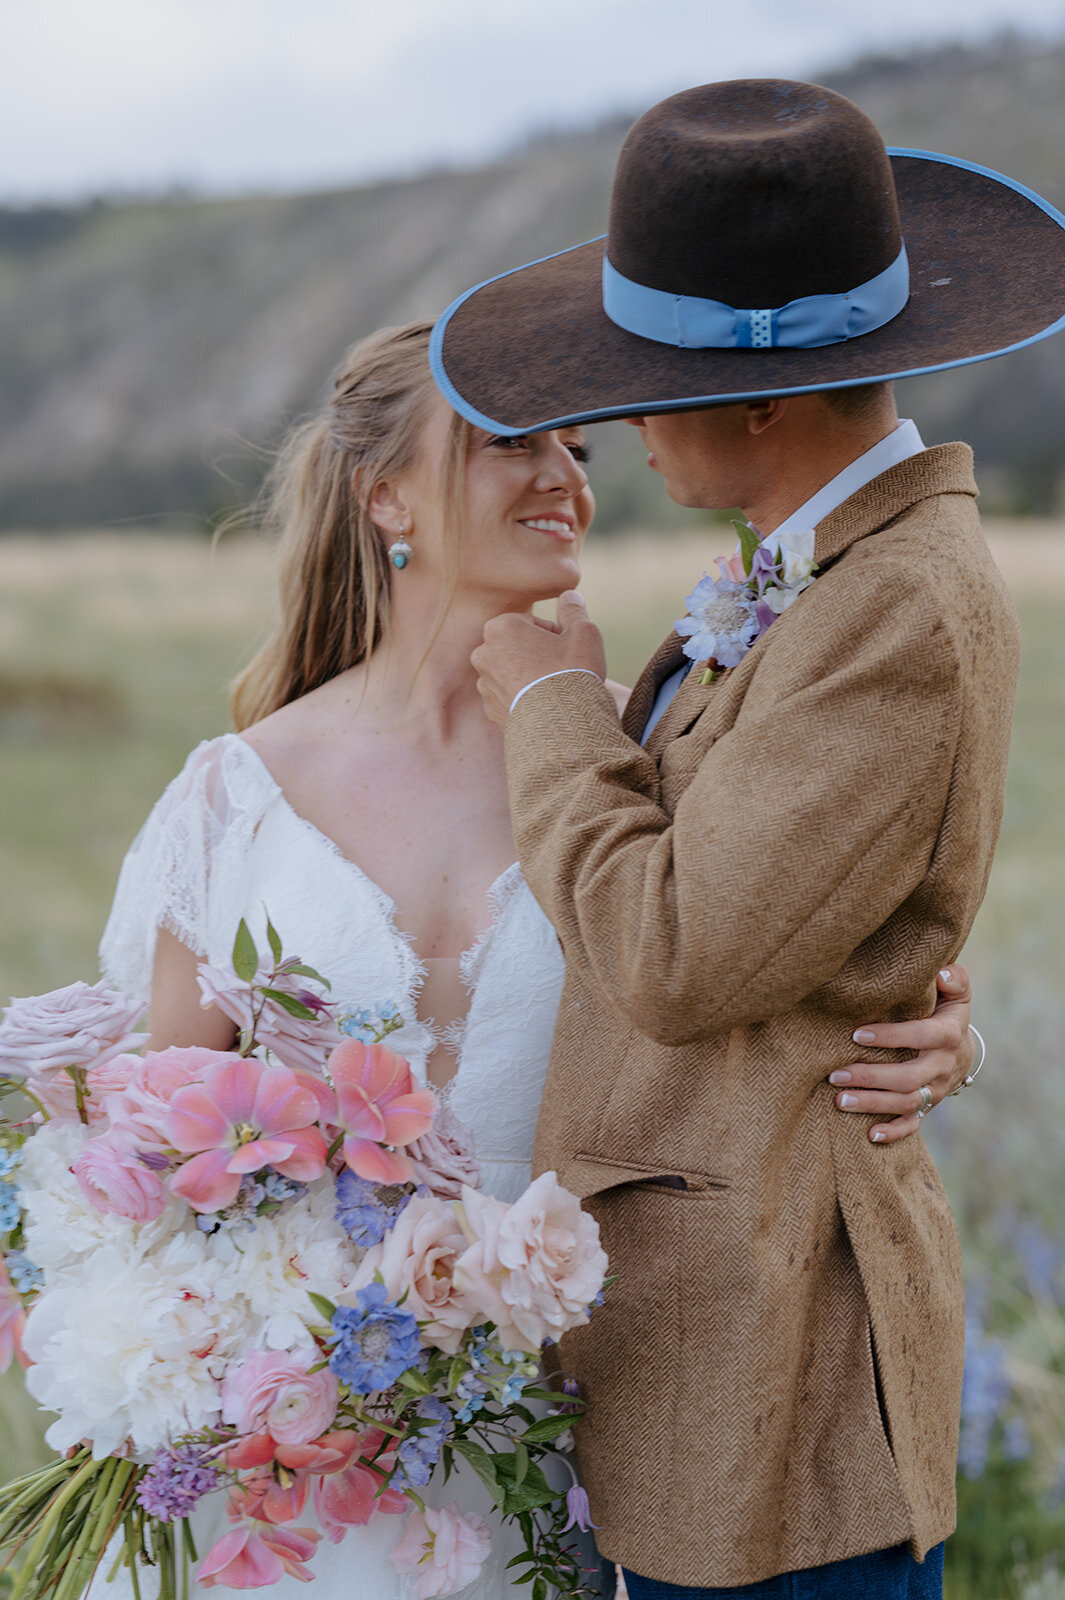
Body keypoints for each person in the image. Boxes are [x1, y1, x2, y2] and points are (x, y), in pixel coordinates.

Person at [99, 319, 977, 1600]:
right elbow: (147, 1151)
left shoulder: (638, 766)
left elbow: (765, 946)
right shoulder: (235, 797)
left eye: (578, 443)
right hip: (293, 1455)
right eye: (513, 440)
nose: (568, 473)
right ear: (385, 492)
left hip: (580, 1442)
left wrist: (944, 1031)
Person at [438, 81, 1065, 1599]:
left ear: (761, 398)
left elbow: (675, 952)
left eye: (644, 383)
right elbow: (796, 895)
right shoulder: (825, 572)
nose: (620, 431)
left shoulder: (895, 604)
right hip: (706, 1354)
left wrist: (556, 706)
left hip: (779, 1382)